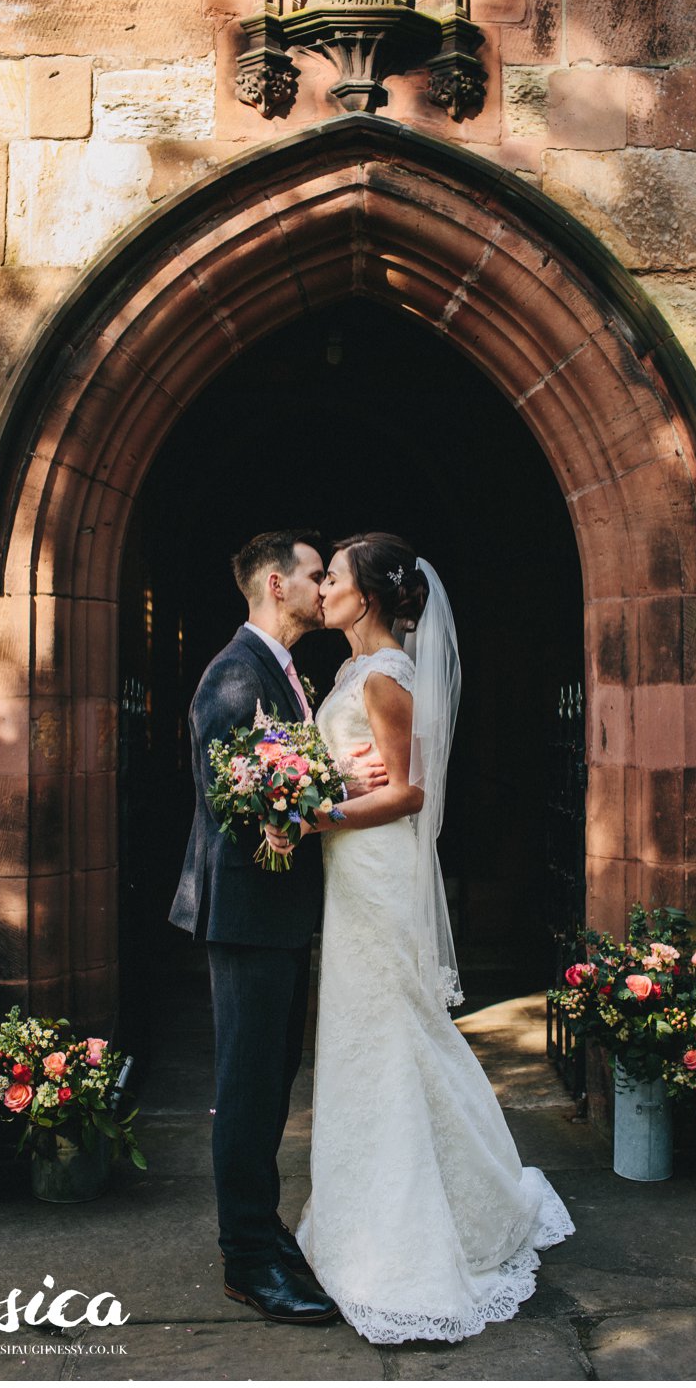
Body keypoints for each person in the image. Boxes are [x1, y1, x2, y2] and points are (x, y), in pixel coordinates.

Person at [275, 531, 573, 1344]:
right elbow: (361, 771)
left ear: (365, 597)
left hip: (375, 874)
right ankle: (362, 1208)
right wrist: (329, 787)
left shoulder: (385, 677)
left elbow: (408, 795)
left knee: (395, 1033)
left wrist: (314, 814)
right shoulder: (350, 672)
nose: (322, 587)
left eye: (332, 577)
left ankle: (412, 1236)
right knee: (372, 1037)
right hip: (354, 874)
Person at [169, 529, 385, 1326]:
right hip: (250, 918)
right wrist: (340, 778)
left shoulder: (284, 670)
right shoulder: (234, 675)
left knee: (269, 1088)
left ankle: (263, 1235)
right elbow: (245, 796)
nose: (323, 584)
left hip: (277, 918)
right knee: (249, 1092)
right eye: (312, 573)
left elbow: (271, 773)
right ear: (274, 583)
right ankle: (250, 1262)